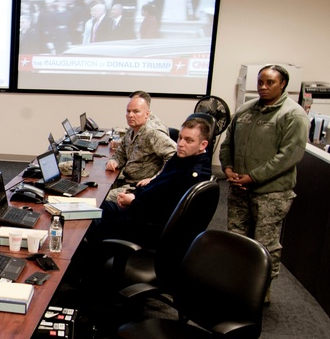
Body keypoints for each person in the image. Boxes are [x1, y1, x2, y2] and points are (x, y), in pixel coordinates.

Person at [220, 64, 309, 302]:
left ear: (283, 84)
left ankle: (261, 292)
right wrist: (227, 168)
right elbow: (228, 142)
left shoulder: (293, 114)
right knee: (237, 239)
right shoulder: (246, 110)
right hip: (239, 187)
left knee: (265, 244)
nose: (263, 87)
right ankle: (236, 285)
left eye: (270, 82)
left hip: (271, 193)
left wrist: (253, 177)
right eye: (260, 82)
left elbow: (289, 156)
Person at [88, 116, 212, 246]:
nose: (180, 143)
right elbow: (158, 183)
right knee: (94, 208)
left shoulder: (192, 175)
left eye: (189, 140)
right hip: (140, 209)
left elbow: (164, 211)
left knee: (92, 227)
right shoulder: (183, 157)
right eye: (180, 137)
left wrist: (133, 202)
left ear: (203, 145)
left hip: (148, 225)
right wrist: (135, 194)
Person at [105, 91, 176, 189]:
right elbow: (121, 153)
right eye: (128, 111)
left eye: (136, 111)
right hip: (125, 180)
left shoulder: (152, 133)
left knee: (100, 200)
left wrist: (156, 179)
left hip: (139, 187)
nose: (130, 115)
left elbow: (174, 155)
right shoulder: (132, 129)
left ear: (147, 114)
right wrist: (114, 161)